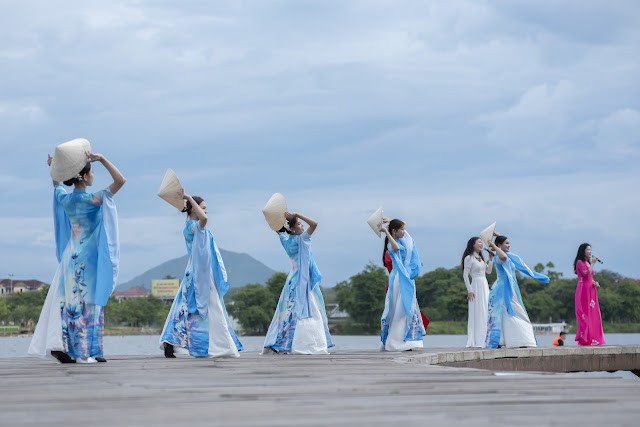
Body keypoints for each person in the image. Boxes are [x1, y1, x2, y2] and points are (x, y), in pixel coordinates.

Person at [29, 146, 125, 363]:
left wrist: (55, 168)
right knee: (92, 302)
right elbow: (121, 181)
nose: (93, 176)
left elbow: (56, 185)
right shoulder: (94, 199)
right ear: (83, 176)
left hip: (70, 257)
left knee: (73, 304)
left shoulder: (66, 199)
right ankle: (90, 350)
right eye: (91, 172)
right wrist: (102, 158)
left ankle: (77, 349)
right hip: (88, 260)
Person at [160, 194, 243, 358]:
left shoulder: (194, 225)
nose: (205, 211)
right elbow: (204, 218)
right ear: (193, 209)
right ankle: (211, 345)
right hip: (199, 273)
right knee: (201, 306)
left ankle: (171, 341)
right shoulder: (193, 226)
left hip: (201, 271)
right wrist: (190, 198)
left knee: (183, 307)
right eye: (202, 207)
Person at [262, 212, 334, 354]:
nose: (303, 226)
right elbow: (315, 224)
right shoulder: (302, 239)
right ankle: (306, 344)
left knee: (288, 311)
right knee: (309, 310)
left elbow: (278, 229)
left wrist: (283, 224)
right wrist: (296, 214)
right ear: (294, 228)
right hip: (304, 280)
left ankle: (284, 342)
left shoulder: (286, 240)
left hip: (293, 279)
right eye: (300, 224)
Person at [485, 233, 549, 348]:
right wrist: (494, 246)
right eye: (507, 243)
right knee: (512, 312)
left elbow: (502, 246)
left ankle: (508, 340)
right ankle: (518, 340)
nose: (509, 245)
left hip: (510, 287)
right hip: (503, 289)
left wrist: (496, 234)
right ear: (499, 245)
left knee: (510, 312)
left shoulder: (507, 255)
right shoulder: (499, 257)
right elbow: (503, 257)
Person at [378, 219, 426, 351]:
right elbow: (396, 248)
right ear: (394, 231)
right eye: (402, 229)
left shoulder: (405, 240)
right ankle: (395, 340)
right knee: (399, 308)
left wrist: (389, 219)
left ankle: (409, 340)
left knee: (407, 307)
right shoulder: (391, 244)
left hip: (405, 277)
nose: (404, 232)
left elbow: (403, 228)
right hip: (399, 278)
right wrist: (386, 231)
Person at [461, 236, 494, 348]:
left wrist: (491, 259)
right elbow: (465, 275)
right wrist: (469, 290)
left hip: (484, 285)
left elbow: (488, 271)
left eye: (481, 242)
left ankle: (486, 338)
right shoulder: (469, 258)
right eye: (479, 242)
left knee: (486, 310)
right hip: (475, 286)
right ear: (473, 244)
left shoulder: (481, 257)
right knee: (478, 311)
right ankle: (477, 340)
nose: (481, 244)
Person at [574, 243, 606, 346]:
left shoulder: (587, 263)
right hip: (583, 291)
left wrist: (595, 283)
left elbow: (590, 277)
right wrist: (593, 263)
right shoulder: (579, 262)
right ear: (583, 251)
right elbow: (585, 274)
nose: (590, 252)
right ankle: (586, 339)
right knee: (585, 314)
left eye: (590, 250)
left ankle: (593, 338)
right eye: (588, 250)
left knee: (593, 314)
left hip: (591, 290)